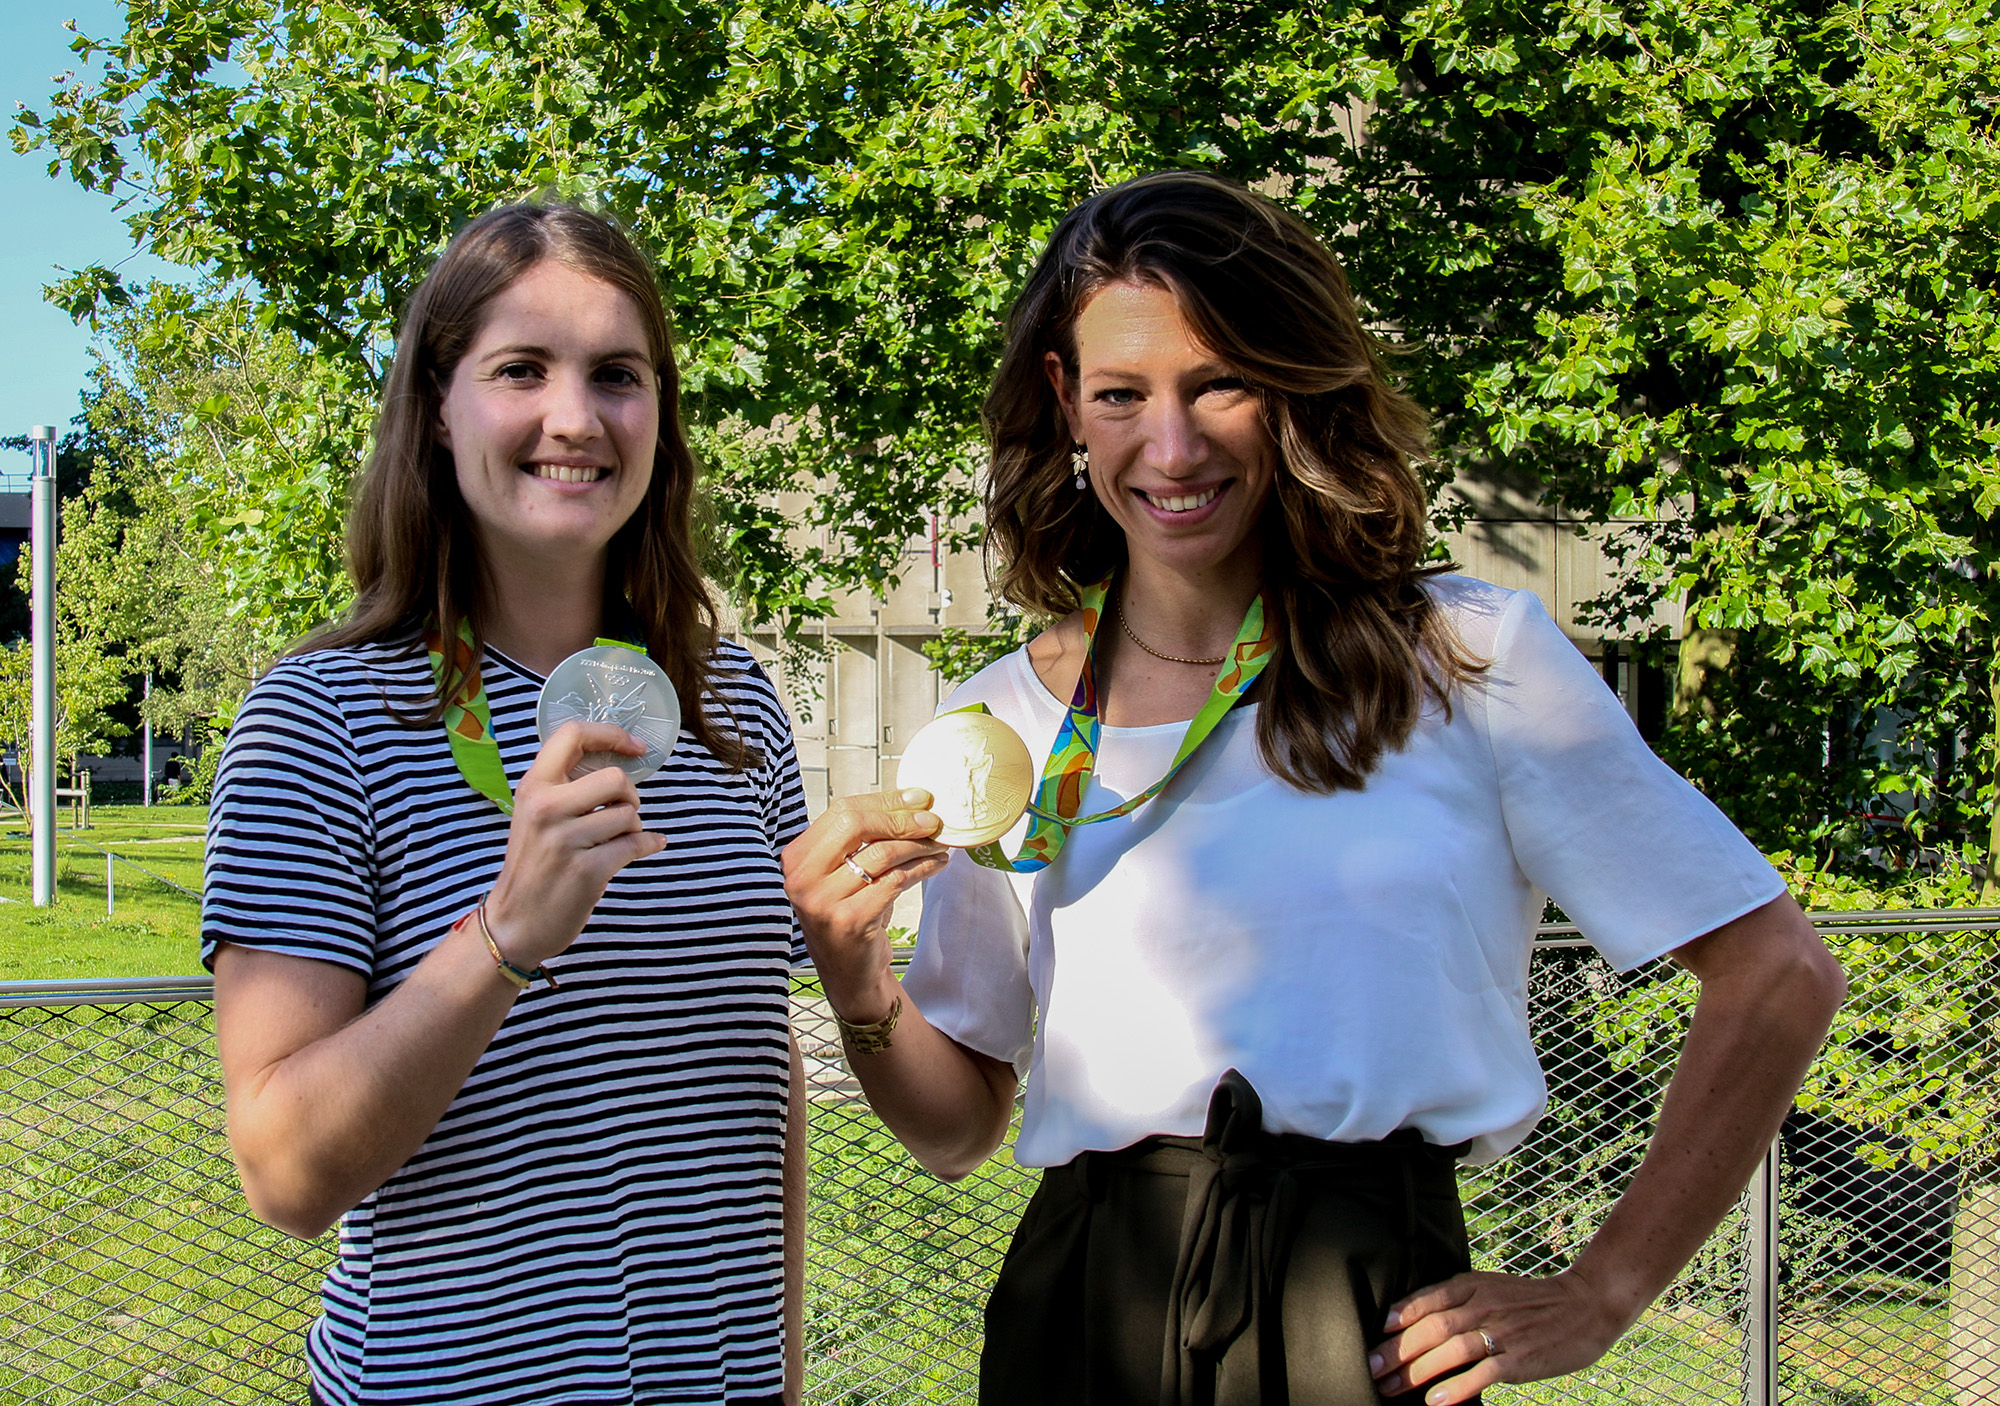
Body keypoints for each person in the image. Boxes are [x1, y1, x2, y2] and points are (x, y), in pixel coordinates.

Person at [784, 171, 1846, 1406]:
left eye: (1217, 382)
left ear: (1294, 386)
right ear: (1065, 400)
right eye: (1121, 394)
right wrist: (855, 979)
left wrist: (1602, 1288)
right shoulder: (1003, 721)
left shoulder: (1466, 659)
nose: (1170, 447)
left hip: (1362, 1318)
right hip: (1084, 1315)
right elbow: (958, 1127)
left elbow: (1777, 973)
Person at [203, 203, 809, 1406]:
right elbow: (284, 1174)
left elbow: (761, 1071)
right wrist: (504, 936)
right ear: (437, 406)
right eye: (521, 369)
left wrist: (782, 1376)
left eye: (617, 375)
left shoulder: (730, 700)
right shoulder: (320, 720)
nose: (574, 417)